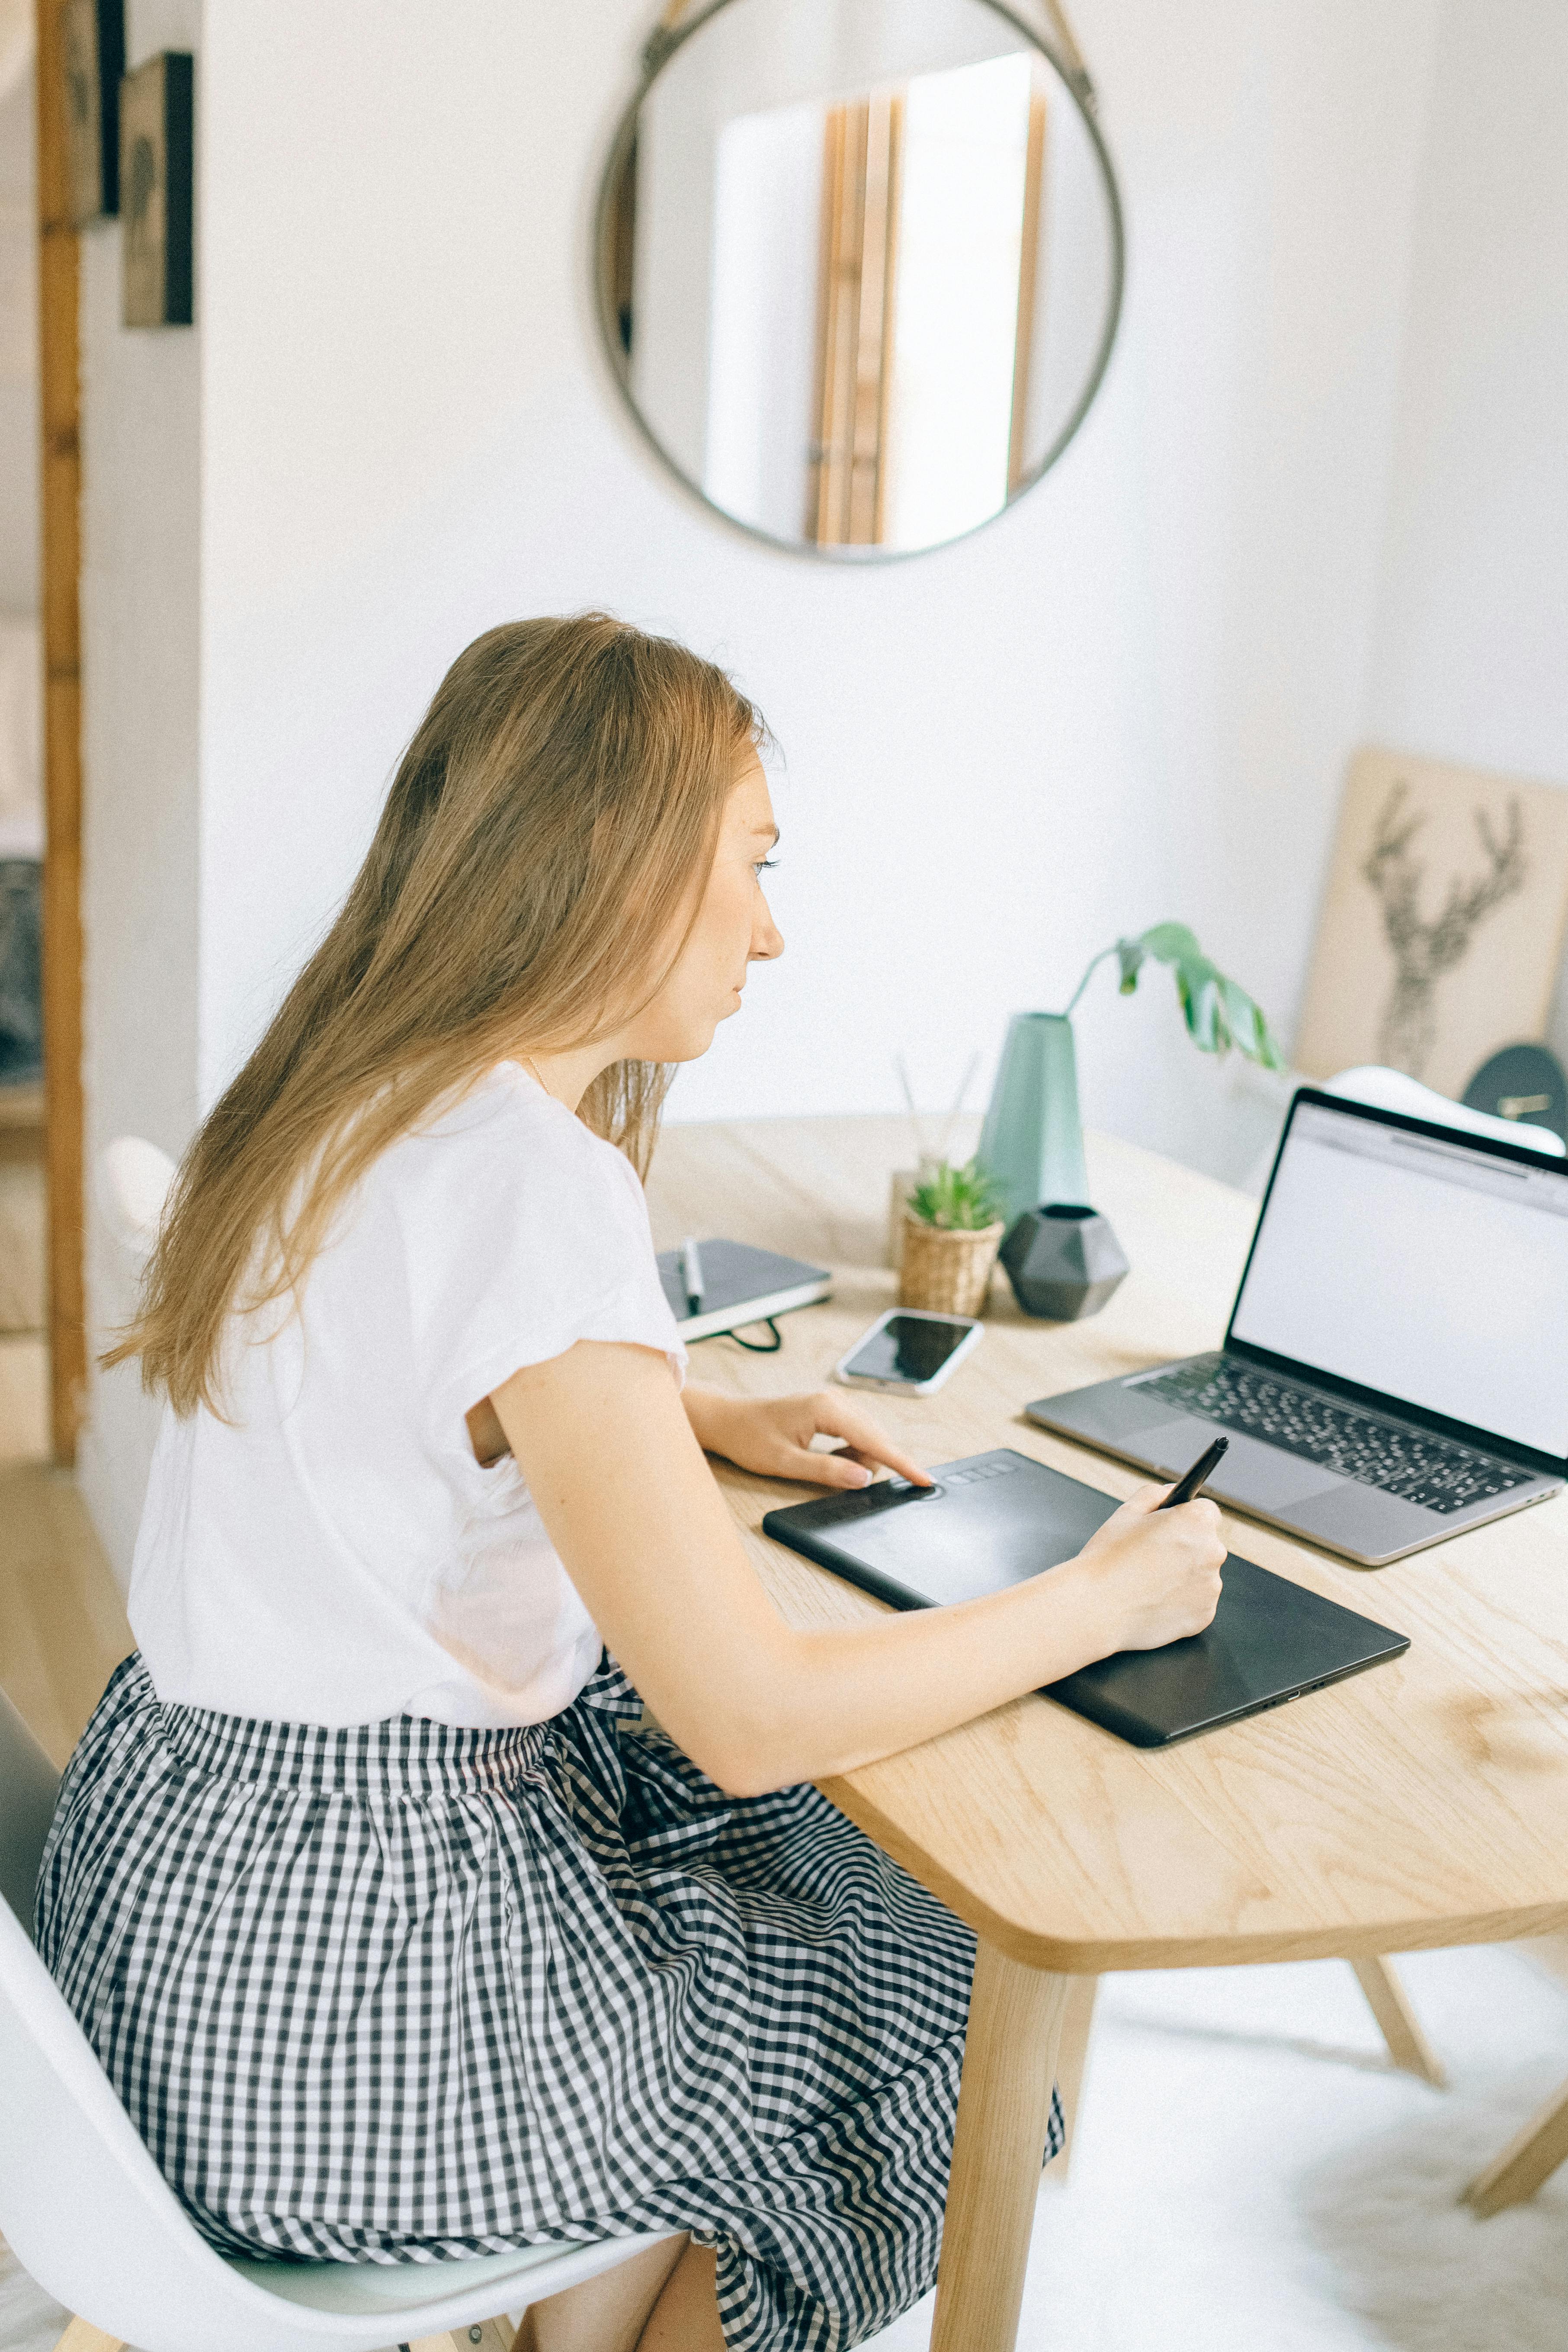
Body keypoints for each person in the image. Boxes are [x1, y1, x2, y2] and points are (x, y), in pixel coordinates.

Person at [35, 615, 1224, 2352]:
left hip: (176, 1914)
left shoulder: (335, 1090)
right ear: (611, 859)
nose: (770, 926)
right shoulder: (537, 1186)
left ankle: (582, 2298)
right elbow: (746, 1711)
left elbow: (392, 1406)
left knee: (796, 1852)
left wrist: (678, 1422)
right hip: (357, 2014)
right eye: (750, 864)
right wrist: (1093, 1601)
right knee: (958, 1971)